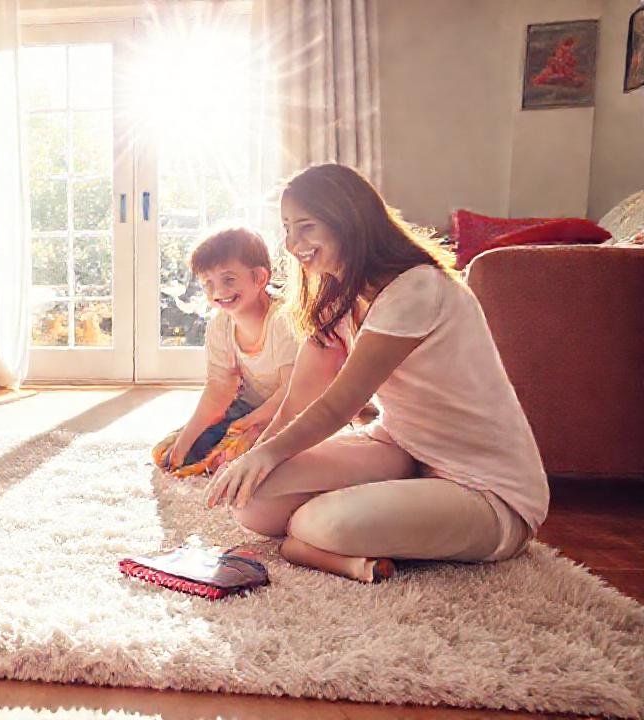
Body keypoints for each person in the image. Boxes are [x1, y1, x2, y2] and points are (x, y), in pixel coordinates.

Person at [206, 164, 548, 583]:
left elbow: (340, 404)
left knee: (313, 523)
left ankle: (313, 547)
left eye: (307, 226)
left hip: (487, 489)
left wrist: (267, 454)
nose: (294, 244)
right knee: (252, 501)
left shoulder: (417, 289)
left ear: (348, 220)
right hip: (403, 448)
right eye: (288, 228)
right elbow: (301, 398)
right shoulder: (335, 293)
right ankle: (353, 535)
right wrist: (257, 455)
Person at [153, 228, 299, 477]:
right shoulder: (220, 325)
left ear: (259, 278)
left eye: (228, 280)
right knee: (166, 451)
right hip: (245, 410)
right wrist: (187, 437)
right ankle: (225, 453)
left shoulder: (282, 320)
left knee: (234, 454)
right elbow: (218, 390)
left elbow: (293, 390)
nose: (218, 291)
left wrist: (251, 423)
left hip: (290, 412)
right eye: (208, 283)